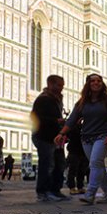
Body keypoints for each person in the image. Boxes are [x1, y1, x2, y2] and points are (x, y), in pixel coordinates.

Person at [55, 73, 107, 205]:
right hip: (86, 139)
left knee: (95, 163)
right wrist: (61, 133)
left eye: (98, 81)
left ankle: (90, 194)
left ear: (102, 84)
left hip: (104, 136)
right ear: (88, 84)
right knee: (99, 166)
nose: (96, 83)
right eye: (92, 81)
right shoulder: (82, 103)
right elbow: (72, 120)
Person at [31, 74, 69, 202]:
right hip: (44, 136)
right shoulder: (44, 99)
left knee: (60, 164)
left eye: (62, 86)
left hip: (55, 137)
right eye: (59, 85)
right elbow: (35, 117)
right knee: (47, 164)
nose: (61, 88)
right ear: (50, 84)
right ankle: (43, 192)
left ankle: (55, 190)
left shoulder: (56, 99)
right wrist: (56, 121)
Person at [66, 120, 89, 195]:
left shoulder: (85, 127)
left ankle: (80, 186)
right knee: (73, 170)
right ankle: (72, 187)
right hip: (74, 151)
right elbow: (69, 135)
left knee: (82, 171)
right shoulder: (72, 127)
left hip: (83, 151)